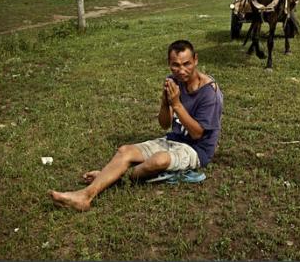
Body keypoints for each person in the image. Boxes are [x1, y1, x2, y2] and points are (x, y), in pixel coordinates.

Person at [49, 40, 223, 211]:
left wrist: (176, 104)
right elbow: (164, 125)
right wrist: (165, 103)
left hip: (197, 151)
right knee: (125, 151)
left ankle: (114, 177)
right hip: (174, 140)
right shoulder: (173, 81)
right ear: (169, 64)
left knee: (159, 160)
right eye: (175, 65)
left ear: (196, 60)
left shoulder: (209, 93)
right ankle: (85, 196)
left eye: (187, 64)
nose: (181, 70)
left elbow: (197, 134)